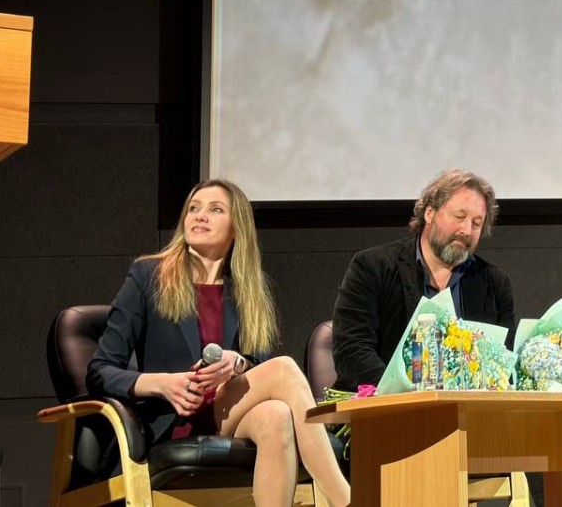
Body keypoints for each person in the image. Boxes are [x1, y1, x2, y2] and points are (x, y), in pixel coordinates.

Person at [87, 180, 350, 507]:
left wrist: (237, 363)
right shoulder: (148, 275)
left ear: (236, 229)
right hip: (174, 418)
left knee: (277, 412)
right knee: (281, 385)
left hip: (226, 412)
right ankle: (346, 500)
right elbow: (99, 371)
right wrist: (163, 383)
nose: (200, 216)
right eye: (193, 208)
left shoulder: (248, 288)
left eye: (215, 210)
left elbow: (257, 362)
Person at [331, 168, 516, 391]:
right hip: (388, 404)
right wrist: (405, 395)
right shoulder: (374, 266)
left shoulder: (494, 283)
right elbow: (352, 351)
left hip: (468, 408)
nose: (467, 230)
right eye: (459, 217)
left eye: (476, 224)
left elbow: (505, 366)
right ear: (429, 213)